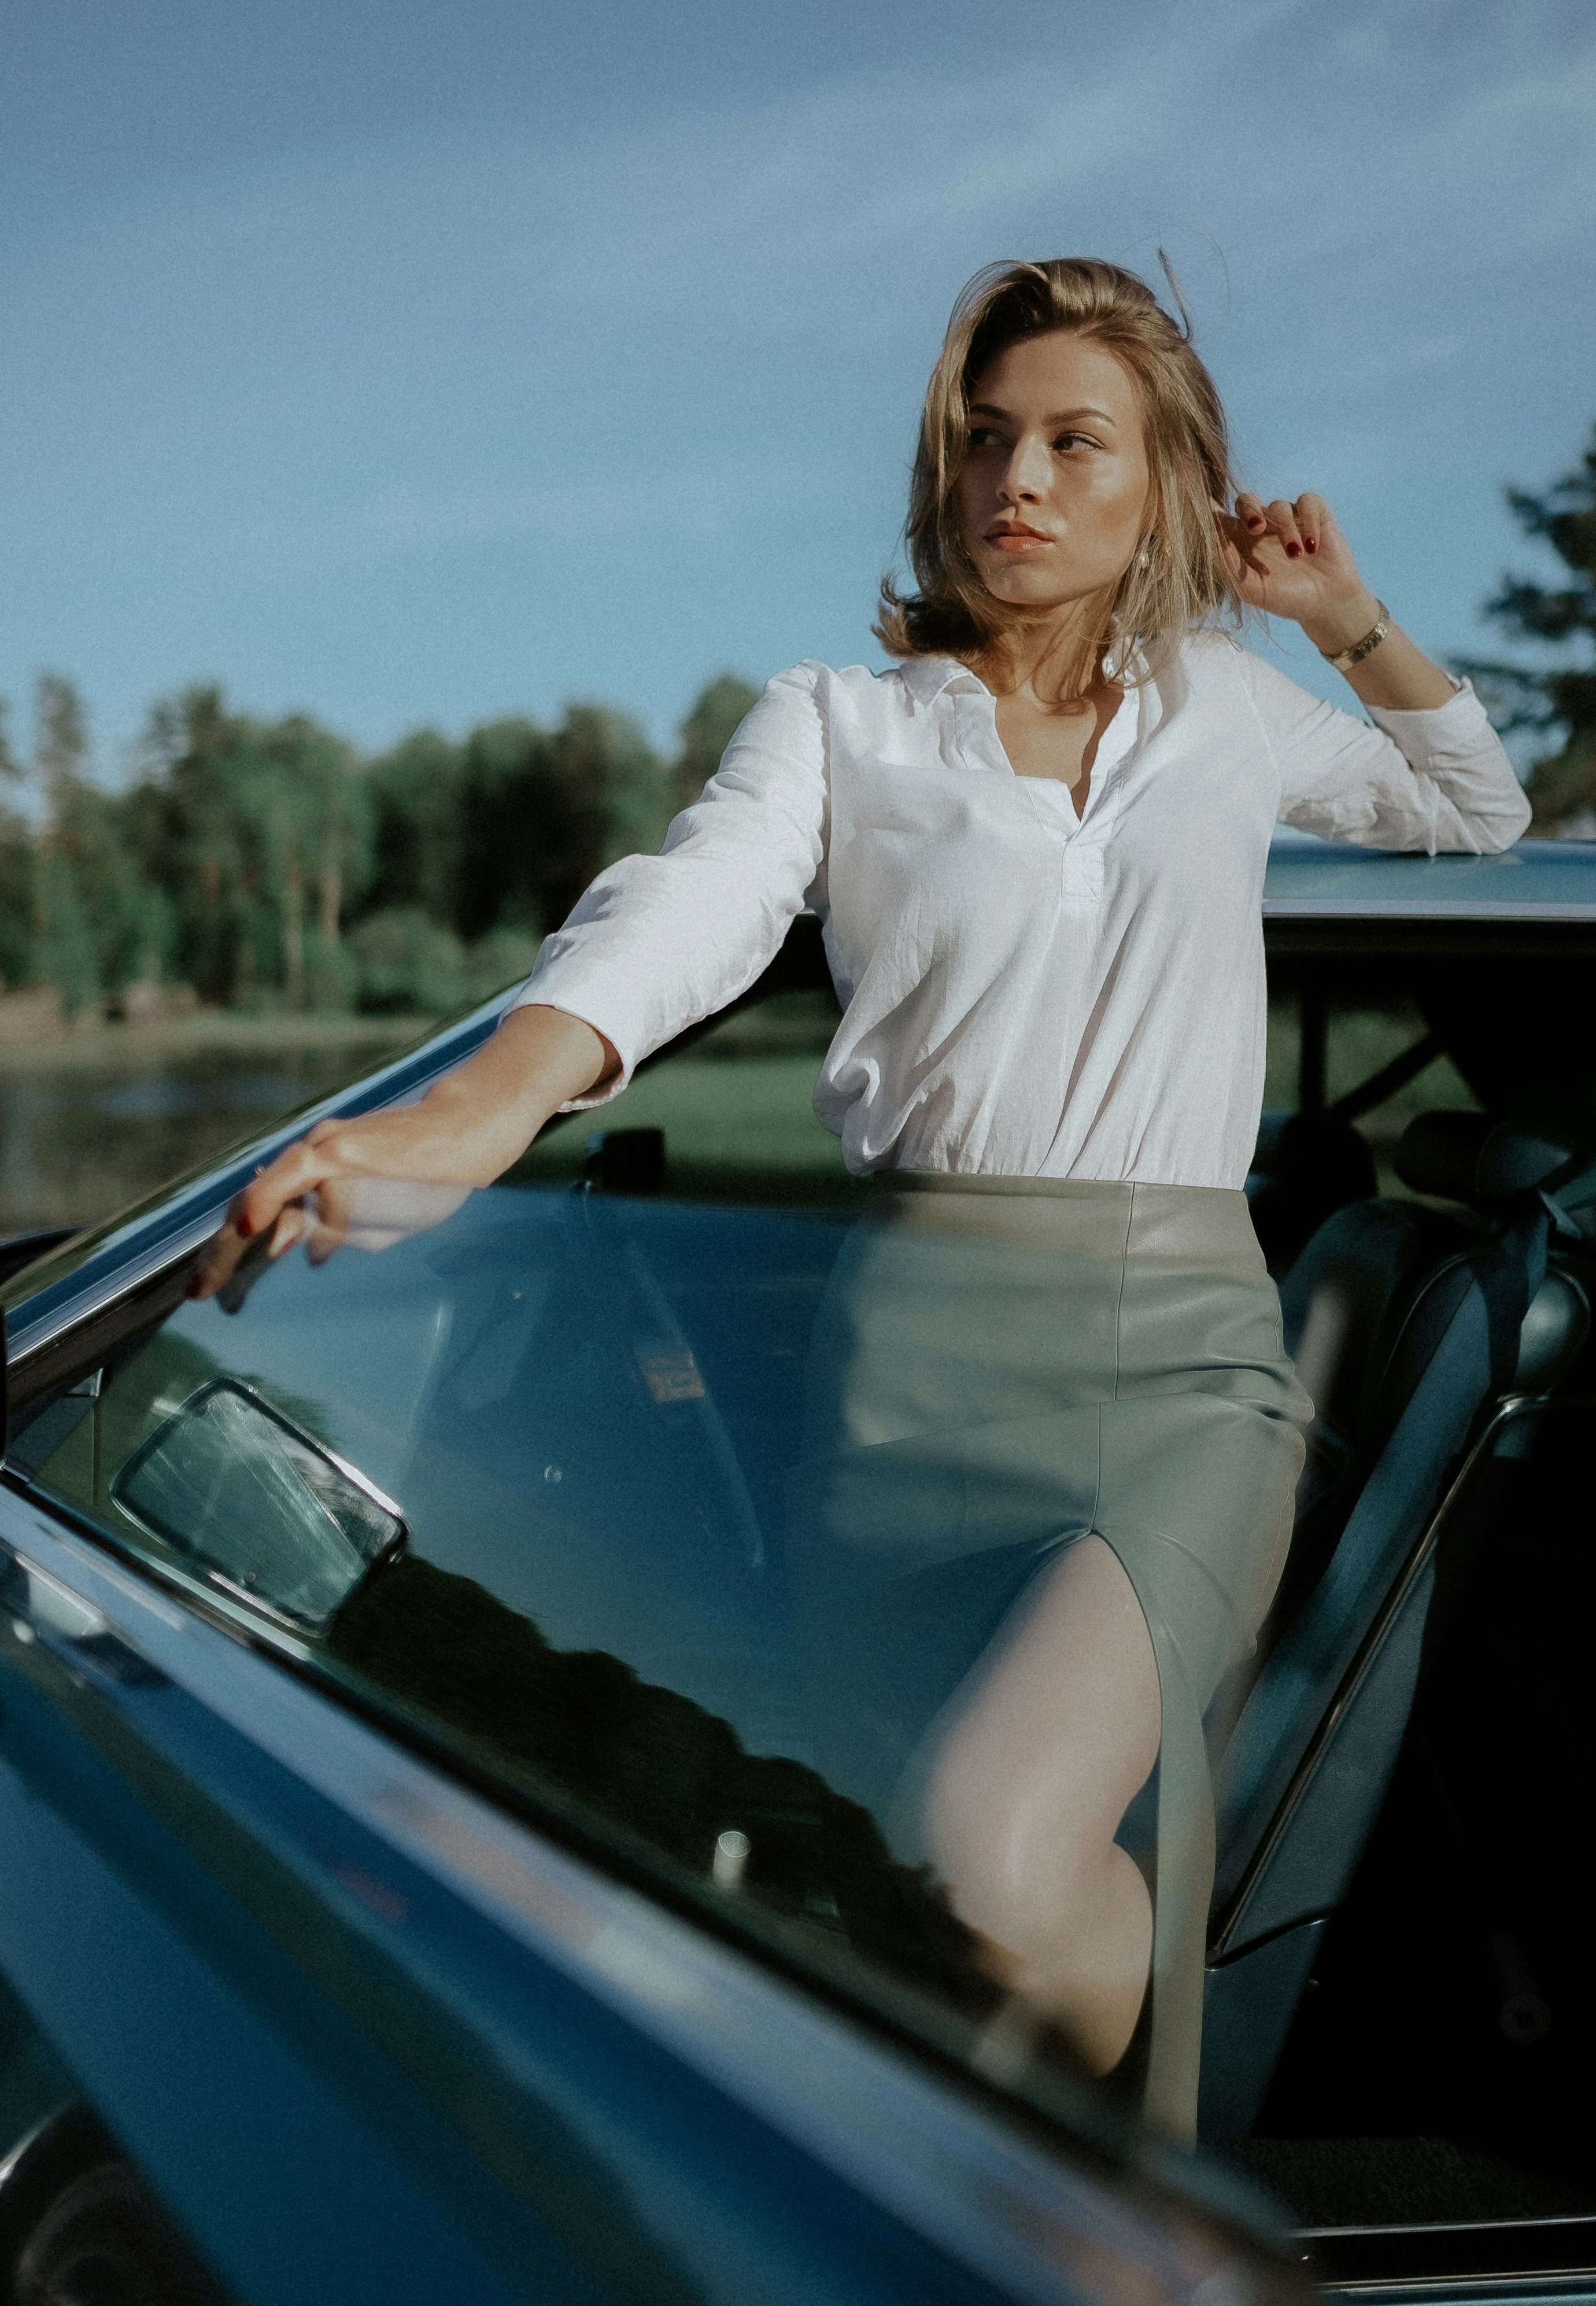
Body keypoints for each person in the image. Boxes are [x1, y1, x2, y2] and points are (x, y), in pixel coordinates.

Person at [195, 257, 1529, 2134]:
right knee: (900, 1904)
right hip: (902, 1374)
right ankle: (1001, 2228)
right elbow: (686, 908)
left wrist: (1348, 618)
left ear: (1163, 484)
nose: (1019, 482)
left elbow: (1474, 813)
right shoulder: (842, 720)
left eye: (1077, 442)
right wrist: (485, 1112)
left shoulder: (1229, 711)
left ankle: (1160, 2144)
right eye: (984, 441)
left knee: (984, 1861)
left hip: (1179, 1368)